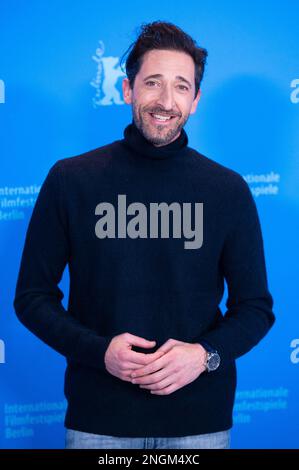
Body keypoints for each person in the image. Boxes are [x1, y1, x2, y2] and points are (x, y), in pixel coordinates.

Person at [13, 21, 275, 449]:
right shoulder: (71, 180)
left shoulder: (227, 189)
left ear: (195, 102)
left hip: (199, 425)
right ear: (127, 90)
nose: (166, 101)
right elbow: (31, 297)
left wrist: (203, 356)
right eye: (152, 83)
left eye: (181, 87)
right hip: (98, 424)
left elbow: (256, 307)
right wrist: (99, 353)